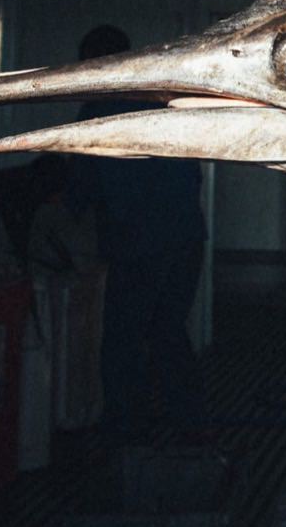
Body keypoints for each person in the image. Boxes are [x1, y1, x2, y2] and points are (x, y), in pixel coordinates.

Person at [69, 24, 209, 435]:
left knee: (123, 341)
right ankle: (188, 430)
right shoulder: (164, 104)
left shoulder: (95, 112)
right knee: (168, 333)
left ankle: (126, 433)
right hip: (186, 238)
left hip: (138, 243)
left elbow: (81, 188)